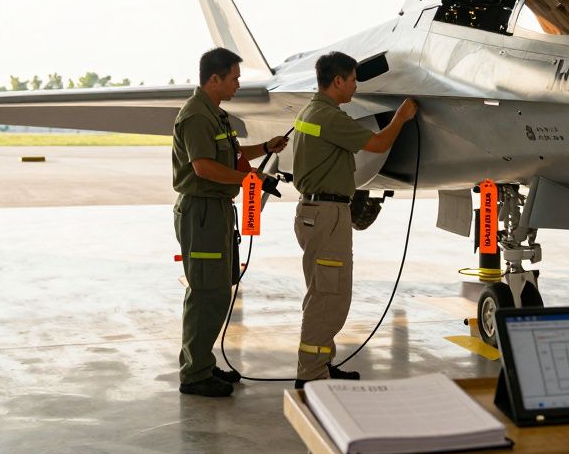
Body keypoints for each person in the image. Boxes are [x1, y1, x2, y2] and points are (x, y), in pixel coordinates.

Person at [290, 51, 418, 388]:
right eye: (352, 80)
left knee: (323, 292)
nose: (355, 86)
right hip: (327, 215)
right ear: (337, 81)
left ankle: (321, 363)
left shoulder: (310, 111)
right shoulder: (330, 117)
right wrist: (402, 116)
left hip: (312, 213)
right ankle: (311, 374)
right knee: (328, 298)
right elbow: (378, 143)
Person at [172, 47, 289, 397]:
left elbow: (232, 155)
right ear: (214, 79)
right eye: (234, 78)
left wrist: (265, 147)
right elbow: (203, 167)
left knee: (219, 289)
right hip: (202, 212)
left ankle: (202, 364)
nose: (238, 84)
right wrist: (248, 181)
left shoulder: (216, 115)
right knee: (206, 292)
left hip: (217, 211)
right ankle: (194, 375)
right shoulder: (196, 116)